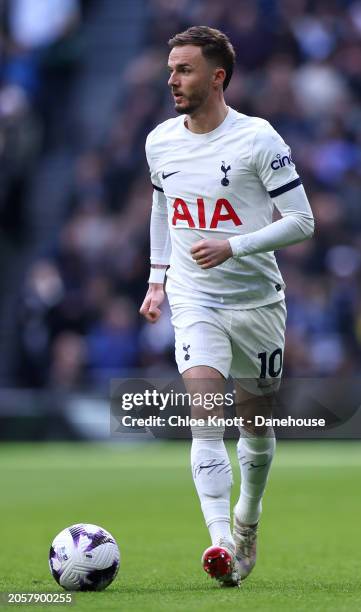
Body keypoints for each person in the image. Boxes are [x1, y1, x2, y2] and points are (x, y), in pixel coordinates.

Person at [139, 25, 314, 587]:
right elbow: (162, 208)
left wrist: (233, 245)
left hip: (258, 299)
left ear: (218, 76)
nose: (172, 79)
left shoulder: (259, 139)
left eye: (184, 69)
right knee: (206, 421)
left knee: (256, 431)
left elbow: (303, 222)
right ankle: (219, 543)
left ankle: (247, 519)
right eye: (170, 69)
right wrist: (157, 278)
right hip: (196, 298)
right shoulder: (159, 141)